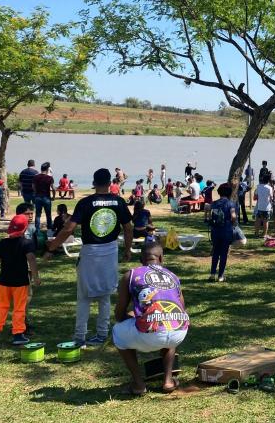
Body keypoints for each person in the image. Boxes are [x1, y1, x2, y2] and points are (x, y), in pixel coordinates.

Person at [45, 168, 133, 347]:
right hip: (110, 250)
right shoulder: (118, 202)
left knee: (84, 296)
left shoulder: (85, 203)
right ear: (110, 183)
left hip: (90, 251)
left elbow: (69, 229)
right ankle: (102, 334)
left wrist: (52, 247)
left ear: (93, 183)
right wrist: (128, 249)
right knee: (105, 295)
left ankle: (80, 337)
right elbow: (128, 227)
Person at [113, 241, 188, 396]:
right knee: (169, 323)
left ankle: (139, 384)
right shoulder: (173, 276)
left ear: (141, 259)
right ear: (161, 258)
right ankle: (168, 381)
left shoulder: (131, 275)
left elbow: (119, 316)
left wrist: (133, 315)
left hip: (150, 334)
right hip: (179, 332)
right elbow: (182, 308)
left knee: (117, 332)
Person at [0, 215, 39, 345]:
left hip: (3, 281)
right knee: (19, 308)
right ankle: (18, 334)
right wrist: (36, 277)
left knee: (1, 306)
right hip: (20, 282)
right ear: (25, 228)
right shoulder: (27, 243)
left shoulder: (3, 242)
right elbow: (31, 259)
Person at [208, 183, 236, 282]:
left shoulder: (214, 203)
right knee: (224, 254)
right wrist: (233, 223)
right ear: (229, 193)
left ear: (219, 192)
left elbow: (209, 215)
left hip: (215, 231)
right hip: (226, 231)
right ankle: (220, 276)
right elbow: (233, 216)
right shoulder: (231, 203)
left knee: (215, 252)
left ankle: (212, 274)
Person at [33, 162, 55, 234]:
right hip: (46, 197)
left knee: (38, 214)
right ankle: (49, 229)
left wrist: (36, 193)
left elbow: (33, 187)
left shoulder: (36, 177)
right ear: (48, 169)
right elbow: (53, 188)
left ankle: (37, 230)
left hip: (38, 197)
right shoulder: (50, 178)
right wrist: (53, 196)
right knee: (48, 214)